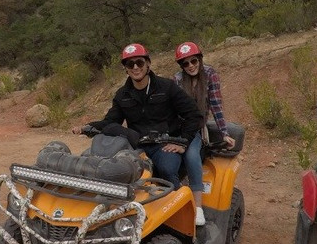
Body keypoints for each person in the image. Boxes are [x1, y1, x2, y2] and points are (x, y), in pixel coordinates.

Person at [72, 43, 202, 190]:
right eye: (130, 64)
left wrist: (182, 142)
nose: (135, 67)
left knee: (167, 168)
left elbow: (193, 114)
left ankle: (177, 201)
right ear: (126, 69)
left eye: (139, 62)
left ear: (148, 64)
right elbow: (110, 122)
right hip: (137, 146)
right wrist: (86, 127)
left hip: (164, 145)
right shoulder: (122, 95)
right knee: (119, 172)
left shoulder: (167, 87)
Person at [172, 42, 236, 226]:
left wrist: (224, 132)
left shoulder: (210, 75)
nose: (191, 65)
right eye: (185, 63)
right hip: (178, 127)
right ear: (181, 66)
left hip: (196, 127)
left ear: (199, 59)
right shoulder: (177, 80)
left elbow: (215, 104)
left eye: (194, 61)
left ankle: (198, 207)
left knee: (191, 155)